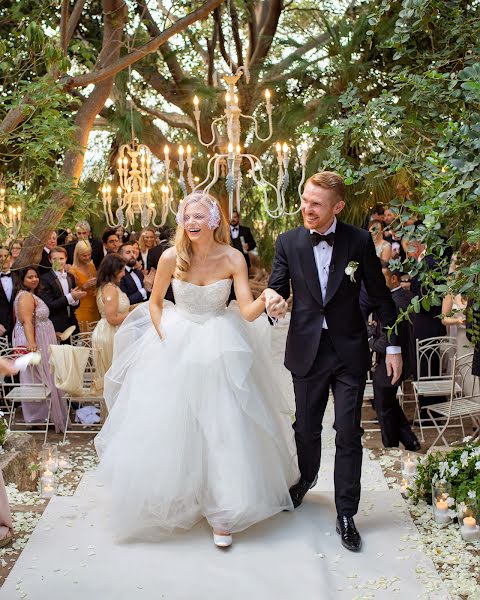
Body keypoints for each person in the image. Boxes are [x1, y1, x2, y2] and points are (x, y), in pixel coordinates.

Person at [95, 191, 296, 548]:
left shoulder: (234, 257)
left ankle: (224, 511)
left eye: (199, 217)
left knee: (224, 424)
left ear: (214, 221)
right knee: (173, 424)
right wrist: (163, 336)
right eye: (187, 217)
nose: (191, 223)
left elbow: (247, 311)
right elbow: (155, 304)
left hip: (221, 341)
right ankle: (174, 499)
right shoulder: (171, 257)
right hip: (178, 339)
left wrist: (268, 298)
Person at [268, 171, 401, 552]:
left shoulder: (359, 242)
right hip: (306, 350)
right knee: (306, 429)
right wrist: (272, 303)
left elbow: (381, 297)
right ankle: (306, 479)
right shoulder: (288, 242)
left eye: (316, 204)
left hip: (349, 351)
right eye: (305, 200)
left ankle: (346, 512)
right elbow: (276, 288)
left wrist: (391, 347)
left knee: (348, 432)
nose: (306, 209)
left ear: (337, 207)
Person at [368, 269, 420, 450]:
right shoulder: (402, 296)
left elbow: (389, 339)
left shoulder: (396, 301)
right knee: (388, 403)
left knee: (384, 407)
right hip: (393, 359)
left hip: (394, 361)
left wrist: (369, 337)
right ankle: (410, 440)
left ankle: (390, 447)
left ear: (393, 278)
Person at [12, 266, 68, 432]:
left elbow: (39, 319)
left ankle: (48, 414)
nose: (35, 279)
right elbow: (27, 321)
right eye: (30, 277)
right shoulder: (25, 296)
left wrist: (52, 332)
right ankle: (39, 417)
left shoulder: (32, 294)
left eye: (36, 276)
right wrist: (31, 343)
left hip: (43, 338)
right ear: (22, 280)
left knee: (44, 375)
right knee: (37, 377)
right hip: (35, 341)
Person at [91, 254, 130, 387]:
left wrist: (137, 307)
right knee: (114, 374)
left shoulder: (109, 287)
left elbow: (120, 309)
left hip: (110, 331)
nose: (124, 274)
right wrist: (135, 314)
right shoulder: (110, 289)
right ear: (114, 271)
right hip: (110, 333)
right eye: (122, 270)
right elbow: (112, 318)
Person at [39, 246, 85, 343]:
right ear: (50, 260)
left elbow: (74, 304)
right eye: (55, 259)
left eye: (61, 258)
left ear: (66, 259)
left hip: (72, 323)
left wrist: (75, 299)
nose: (58, 262)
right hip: (56, 325)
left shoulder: (70, 277)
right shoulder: (44, 279)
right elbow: (50, 304)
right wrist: (70, 297)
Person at [69, 240, 100, 331]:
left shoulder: (91, 265)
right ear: (77, 255)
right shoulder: (72, 271)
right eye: (84, 255)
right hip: (82, 308)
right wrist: (84, 286)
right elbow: (71, 294)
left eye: (89, 254)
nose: (87, 257)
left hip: (95, 306)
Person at [0, 247, 14, 343]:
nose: (3, 258)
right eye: (0, 256)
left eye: (6, 255)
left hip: (19, 328)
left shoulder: (19, 276)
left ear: (11, 258)